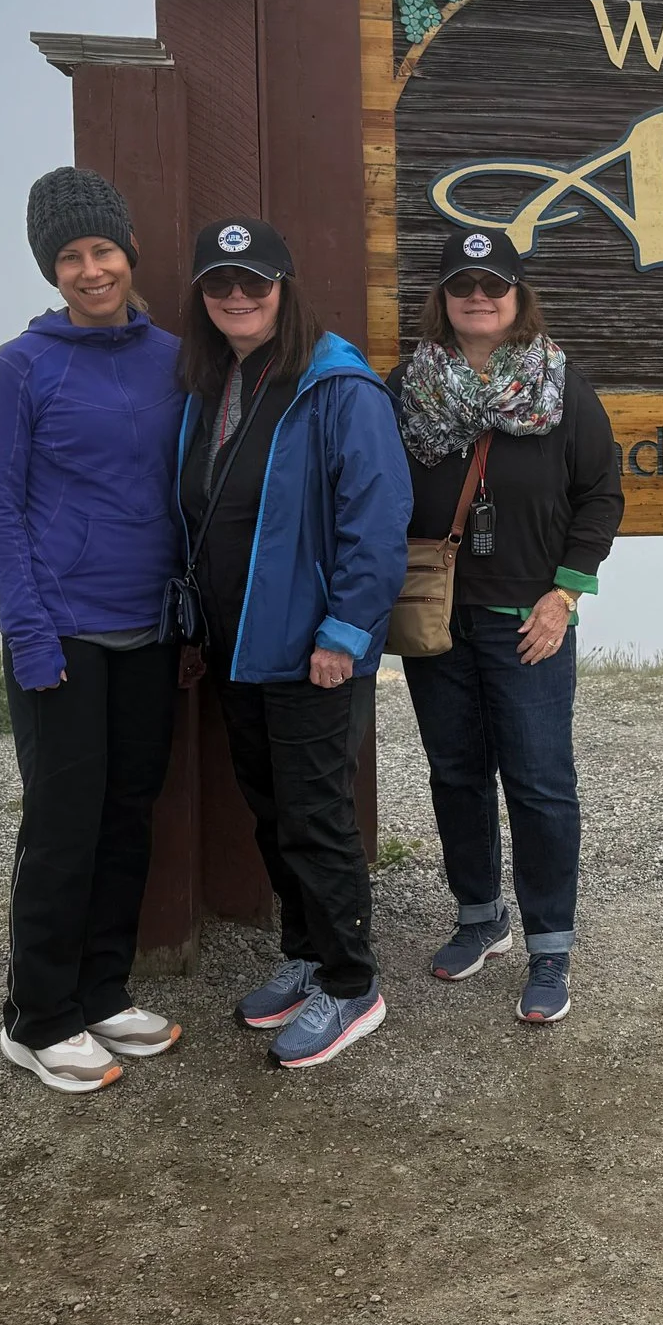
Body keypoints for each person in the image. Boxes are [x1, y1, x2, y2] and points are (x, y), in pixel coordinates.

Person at [178, 217, 412, 1070]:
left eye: (255, 281)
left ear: (284, 287)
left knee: (316, 816)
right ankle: (308, 955)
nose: (237, 295)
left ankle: (353, 983)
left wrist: (345, 630)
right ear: (203, 297)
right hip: (239, 646)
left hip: (315, 649)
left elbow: (377, 520)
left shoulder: (338, 386)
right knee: (274, 811)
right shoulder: (214, 384)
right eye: (220, 282)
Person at [0, 167, 188, 1094]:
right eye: (69, 256)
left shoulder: (173, 358)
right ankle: (36, 1016)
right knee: (63, 824)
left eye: (103, 249)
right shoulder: (21, 366)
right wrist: (28, 633)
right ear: (50, 270)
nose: (91, 269)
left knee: (127, 814)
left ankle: (101, 990)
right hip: (59, 630)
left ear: (129, 251)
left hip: (149, 627)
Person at [392, 228, 623, 1025]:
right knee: (456, 772)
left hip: (530, 618)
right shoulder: (406, 388)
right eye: (463, 284)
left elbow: (601, 494)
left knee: (539, 781)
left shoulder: (561, 386)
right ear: (443, 298)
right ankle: (480, 916)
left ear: (518, 296)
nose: (478, 297)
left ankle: (549, 945)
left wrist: (565, 596)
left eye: (493, 284)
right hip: (435, 616)